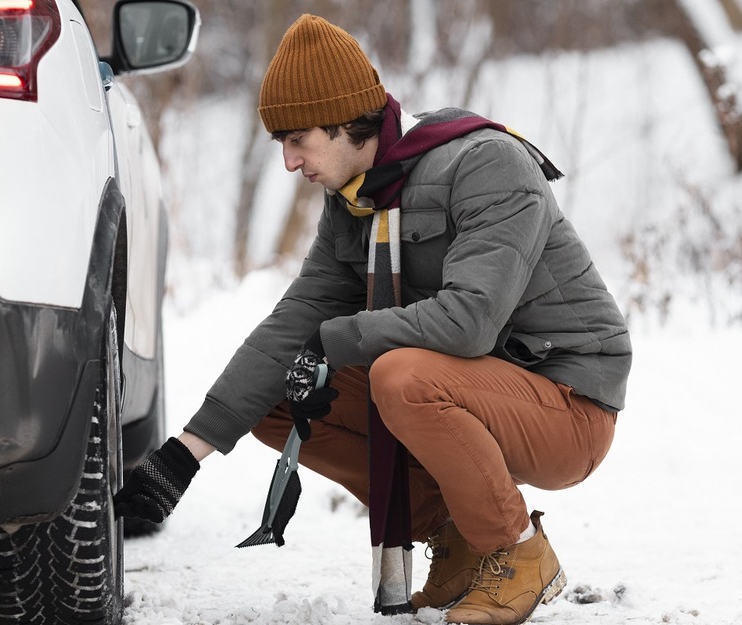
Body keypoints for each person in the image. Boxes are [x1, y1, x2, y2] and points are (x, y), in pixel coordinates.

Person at [114, 13, 632, 625]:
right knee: (287, 394)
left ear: (343, 122)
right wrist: (184, 453)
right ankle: (460, 540)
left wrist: (339, 338)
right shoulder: (356, 200)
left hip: (567, 403)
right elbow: (297, 321)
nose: (288, 161)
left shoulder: (485, 164)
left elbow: (469, 322)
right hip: (474, 387)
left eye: (297, 139)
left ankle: (516, 553)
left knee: (401, 376)